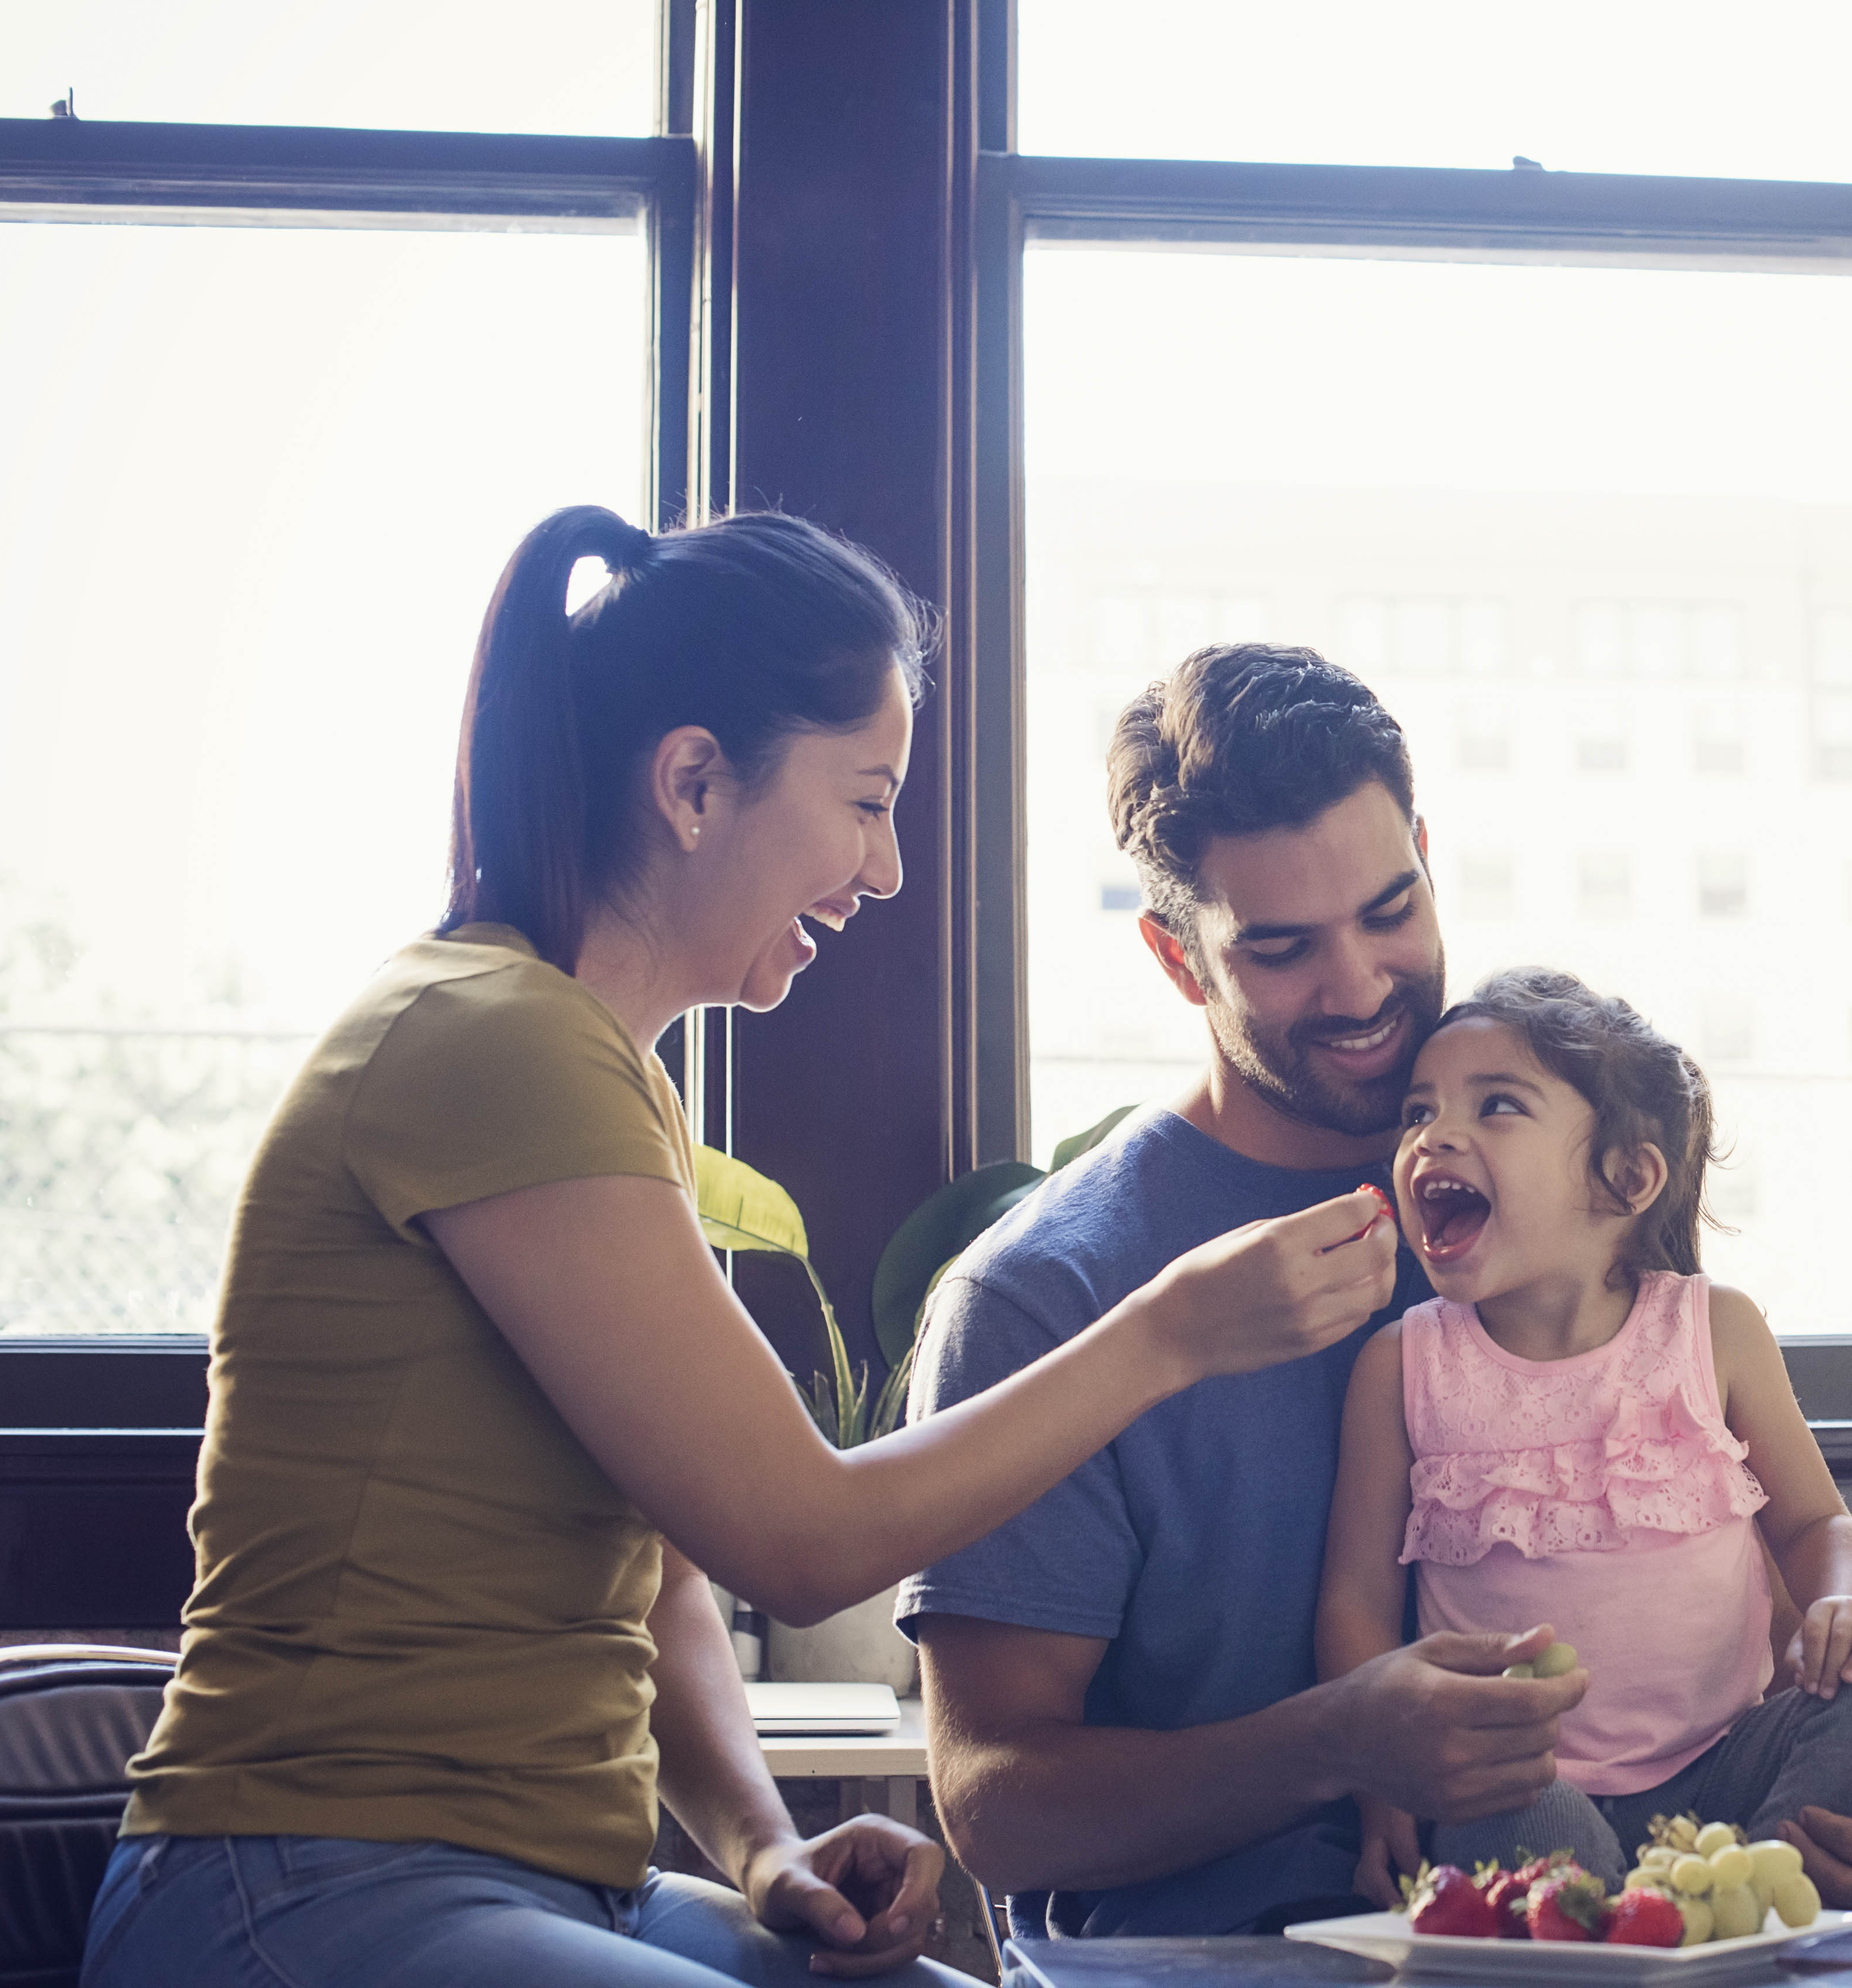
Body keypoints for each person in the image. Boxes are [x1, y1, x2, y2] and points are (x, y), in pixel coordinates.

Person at [81, 509, 1400, 1988]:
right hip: (304, 1879)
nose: (890, 868)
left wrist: (765, 1848)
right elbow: (800, 1534)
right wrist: (1170, 1334)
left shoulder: (598, 1068)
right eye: (866, 800)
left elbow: (660, 1575)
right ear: (695, 782)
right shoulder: (491, 1039)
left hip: (572, 1884)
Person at [902, 644, 1852, 1943]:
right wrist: (1345, 1745)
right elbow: (994, 1806)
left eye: (1390, 910)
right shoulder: (1047, 1296)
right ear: (1177, 956)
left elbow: (1755, 1595)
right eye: (1281, 949)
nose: (1362, 986)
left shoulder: (1565, 1203)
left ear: (1427, 855)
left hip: (1677, 1935)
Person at [1318, 968, 1852, 1894]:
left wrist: (1845, 1604)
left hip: (1725, 1767)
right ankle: (1626, 1923)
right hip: (1520, 1784)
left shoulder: (1716, 1330)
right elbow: (1355, 1607)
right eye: (1417, 1112)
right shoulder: (1402, 1364)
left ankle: (1753, 1894)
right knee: (1499, 1803)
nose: (1434, 1136)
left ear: (1626, 1177)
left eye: (1495, 1105)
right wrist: (1381, 1786)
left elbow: (1816, 1526)